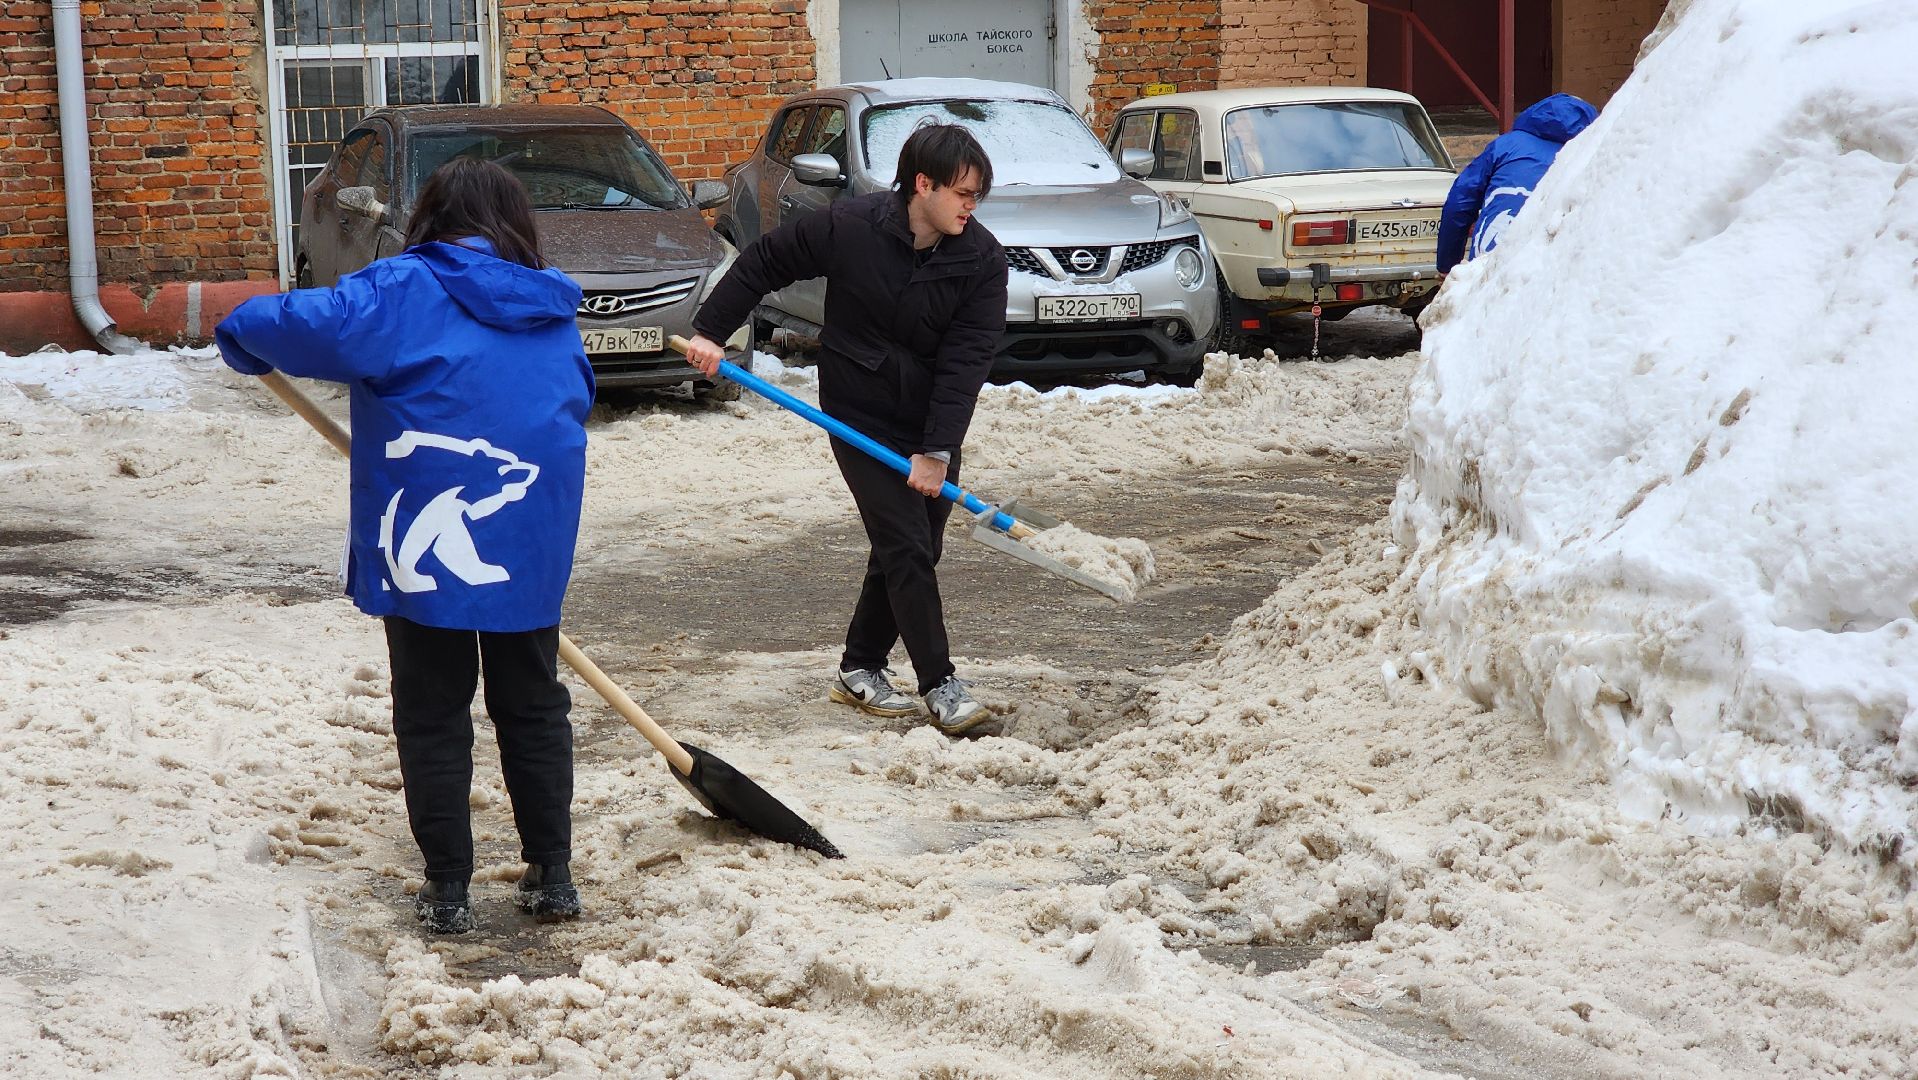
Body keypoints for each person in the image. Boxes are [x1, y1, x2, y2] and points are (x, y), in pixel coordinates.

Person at [215, 158, 595, 934]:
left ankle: (449, 889)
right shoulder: (548, 300)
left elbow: (298, 322)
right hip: (530, 525)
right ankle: (552, 876)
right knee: (532, 701)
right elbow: (577, 394)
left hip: (423, 522)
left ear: (431, 216)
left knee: (432, 707)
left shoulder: (403, 289)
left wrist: (240, 331)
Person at [681, 123, 1009, 737]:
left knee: (917, 545)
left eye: (977, 196)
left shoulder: (981, 260)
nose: (972, 206)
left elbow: (968, 360)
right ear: (924, 184)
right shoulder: (852, 227)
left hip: (929, 417)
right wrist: (711, 332)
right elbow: (765, 261)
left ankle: (860, 667)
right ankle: (940, 685)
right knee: (906, 544)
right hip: (857, 408)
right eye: (964, 193)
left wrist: (937, 449)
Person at [1437, 93, 1598, 274]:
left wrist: (1447, 266)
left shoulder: (1505, 145)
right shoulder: (1589, 156)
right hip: (1550, 271)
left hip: (1486, 266)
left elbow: (1459, 202)